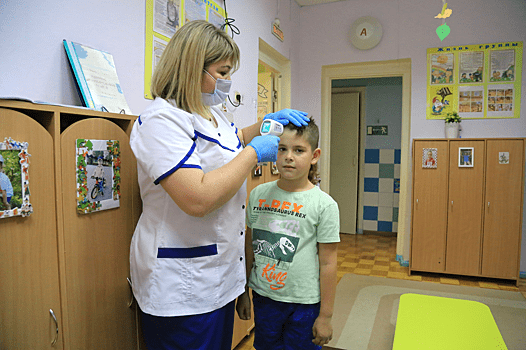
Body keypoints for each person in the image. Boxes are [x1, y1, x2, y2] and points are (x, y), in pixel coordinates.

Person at [128, 20, 309, 350]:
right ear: (191, 68)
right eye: (222, 72)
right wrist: (254, 153)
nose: (227, 81)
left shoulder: (212, 114)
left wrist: (259, 128)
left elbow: (227, 144)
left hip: (218, 277)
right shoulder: (161, 120)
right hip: (182, 285)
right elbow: (196, 197)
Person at [236, 119, 340, 350]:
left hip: (304, 303)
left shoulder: (324, 205)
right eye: (282, 149)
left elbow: (328, 263)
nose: (288, 156)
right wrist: (243, 292)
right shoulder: (258, 194)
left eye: (299, 150)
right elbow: (249, 247)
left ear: (314, 156)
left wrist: (325, 316)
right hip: (264, 297)